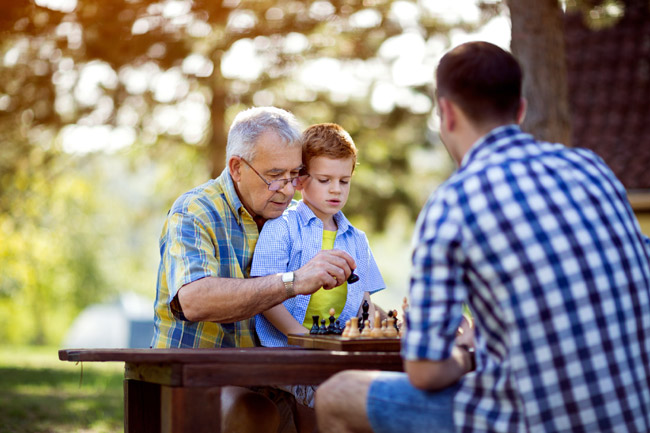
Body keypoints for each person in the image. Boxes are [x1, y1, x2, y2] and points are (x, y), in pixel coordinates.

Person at [315, 41, 650, 433]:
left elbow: (424, 371)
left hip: (532, 419)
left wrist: (467, 349)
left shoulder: (452, 204)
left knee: (337, 394)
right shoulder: (592, 169)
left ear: (447, 114)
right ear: (520, 110)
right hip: (634, 413)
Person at [151, 106, 356, 433]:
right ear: (236, 167)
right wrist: (293, 282)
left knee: (356, 408)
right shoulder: (195, 212)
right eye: (275, 176)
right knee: (254, 412)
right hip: (195, 379)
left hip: (274, 381)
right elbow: (194, 300)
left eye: (294, 175)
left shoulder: (293, 220)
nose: (288, 190)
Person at [250, 123, 386, 409]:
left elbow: (365, 304)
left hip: (336, 353)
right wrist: (302, 338)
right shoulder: (281, 228)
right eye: (324, 180)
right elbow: (264, 297)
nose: (336, 189)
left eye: (344, 181)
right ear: (300, 180)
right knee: (324, 397)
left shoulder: (357, 239)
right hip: (289, 355)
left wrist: (395, 324)